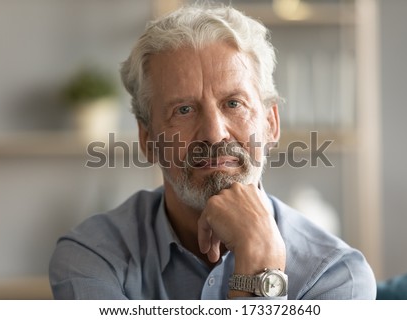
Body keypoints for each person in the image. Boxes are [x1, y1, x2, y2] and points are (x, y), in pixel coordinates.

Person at [49, 3, 376, 299]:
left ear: (271, 124)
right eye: (184, 110)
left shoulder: (337, 277)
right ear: (148, 139)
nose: (214, 133)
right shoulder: (91, 255)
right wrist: (260, 267)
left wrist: (260, 255)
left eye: (234, 103)